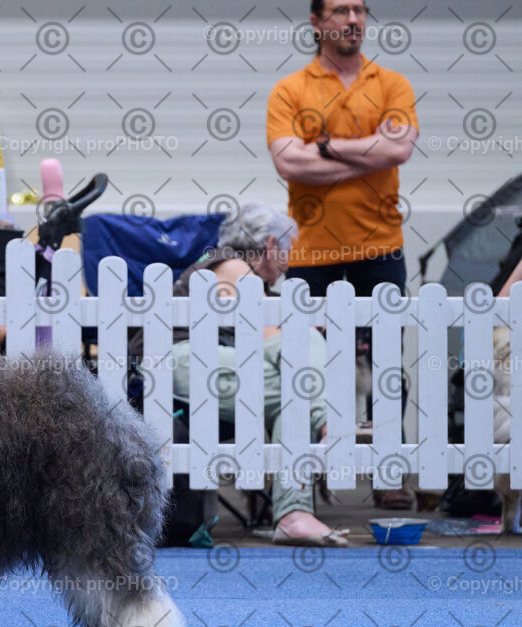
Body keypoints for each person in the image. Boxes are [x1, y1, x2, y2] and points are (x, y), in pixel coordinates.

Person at [170, 202, 350, 547]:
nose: (289, 259)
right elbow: (269, 337)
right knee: (302, 352)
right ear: (269, 244)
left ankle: (295, 513)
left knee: (294, 389)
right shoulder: (235, 267)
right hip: (184, 360)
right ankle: (325, 429)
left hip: (219, 365)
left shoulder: (248, 278)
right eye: (286, 249)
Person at [267, 0, 418, 296]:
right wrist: (373, 154)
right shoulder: (289, 90)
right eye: (340, 11)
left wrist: (325, 146)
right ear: (316, 22)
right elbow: (288, 164)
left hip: (381, 249)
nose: (353, 20)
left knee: (382, 343)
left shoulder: (393, 85)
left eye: (359, 10)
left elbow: (399, 150)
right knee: (310, 344)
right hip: (311, 253)